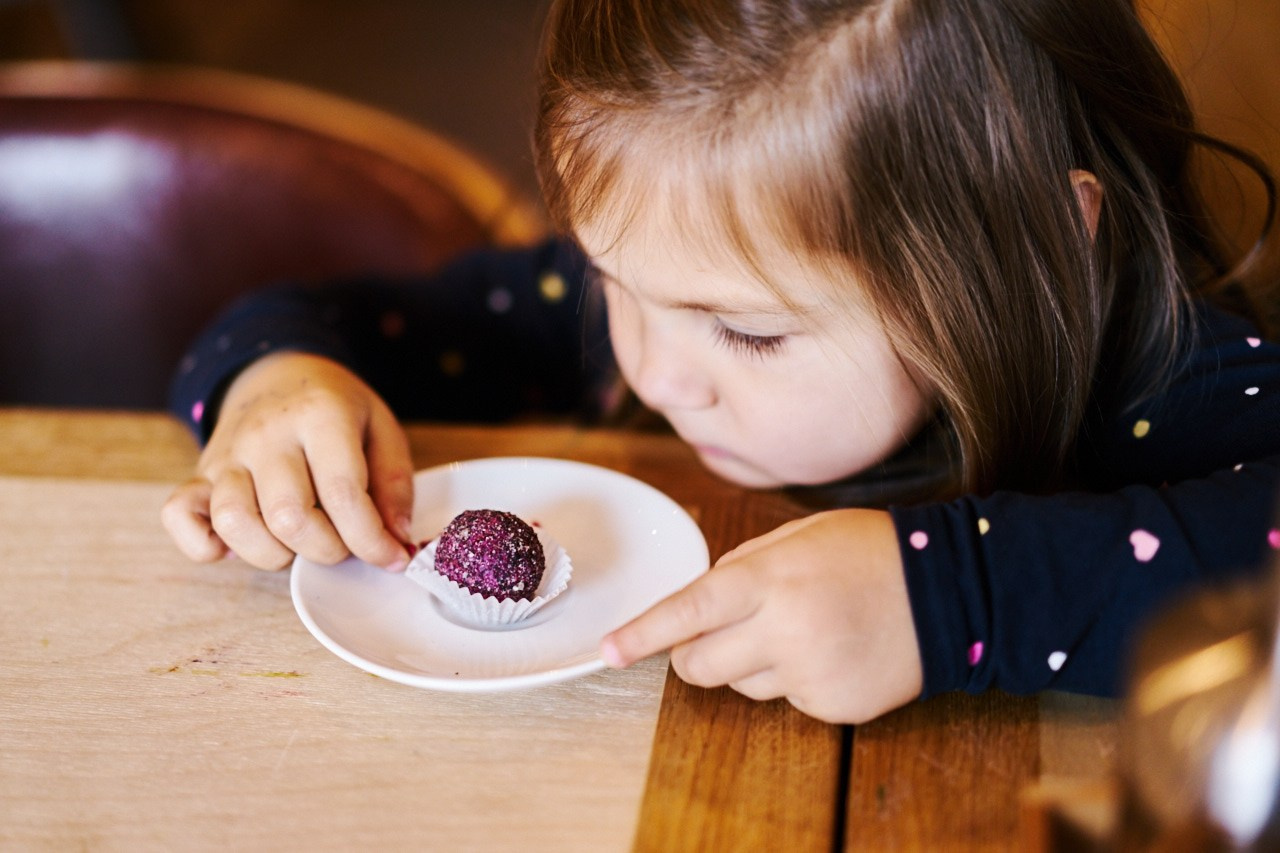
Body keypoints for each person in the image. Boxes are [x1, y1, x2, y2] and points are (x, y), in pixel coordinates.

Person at [162, 0, 1280, 724]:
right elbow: (312, 317)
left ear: (1029, 249)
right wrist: (278, 381)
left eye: (748, 332)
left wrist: (952, 597)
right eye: (608, 276)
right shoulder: (671, 276)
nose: (653, 370)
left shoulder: (1172, 384)